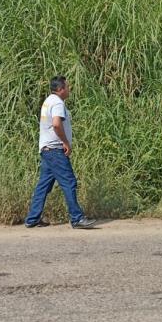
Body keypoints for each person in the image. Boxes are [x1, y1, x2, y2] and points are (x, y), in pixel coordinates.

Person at [24, 76, 96, 229]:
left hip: (46, 149)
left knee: (43, 185)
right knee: (69, 182)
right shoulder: (57, 102)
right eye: (67, 87)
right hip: (55, 149)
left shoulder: (48, 100)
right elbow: (56, 124)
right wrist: (65, 142)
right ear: (60, 89)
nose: (69, 89)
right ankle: (77, 218)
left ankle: (32, 219)